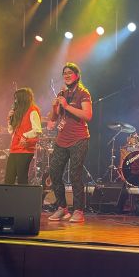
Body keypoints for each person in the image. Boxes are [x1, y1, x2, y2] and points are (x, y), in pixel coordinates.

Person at [48, 63, 92, 223]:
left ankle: (78, 210)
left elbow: (87, 115)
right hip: (62, 139)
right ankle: (62, 208)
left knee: (75, 174)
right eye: (64, 73)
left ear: (77, 76)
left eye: (69, 73)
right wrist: (55, 108)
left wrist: (67, 106)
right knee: (54, 172)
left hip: (79, 139)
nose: (66, 75)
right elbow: (54, 118)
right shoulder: (62, 93)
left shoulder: (83, 93)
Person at [5, 88, 42, 185]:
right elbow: (11, 131)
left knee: (22, 178)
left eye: (16, 98)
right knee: (8, 179)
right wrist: (9, 119)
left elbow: (37, 130)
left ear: (23, 98)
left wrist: (25, 136)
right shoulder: (18, 112)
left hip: (25, 149)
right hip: (14, 148)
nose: (15, 101)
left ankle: (23, 195)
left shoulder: (33, 110)